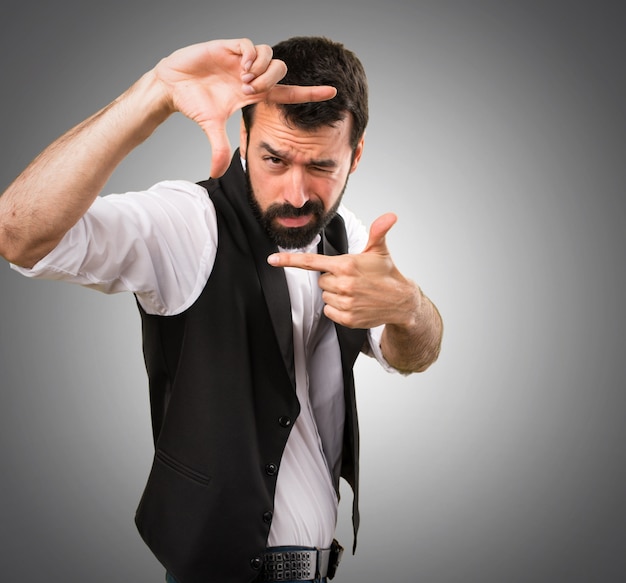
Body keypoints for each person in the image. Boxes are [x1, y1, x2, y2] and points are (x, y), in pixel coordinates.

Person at [0, 37, 443, 583]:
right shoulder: (190, 223)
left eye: (322, 166)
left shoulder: (351, 235)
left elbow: (414, 355)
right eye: (274, 159)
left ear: (355, 155)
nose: (297, 193)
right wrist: (153, 96)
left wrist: (408, 307)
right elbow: (18, 235)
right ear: (244, 136)